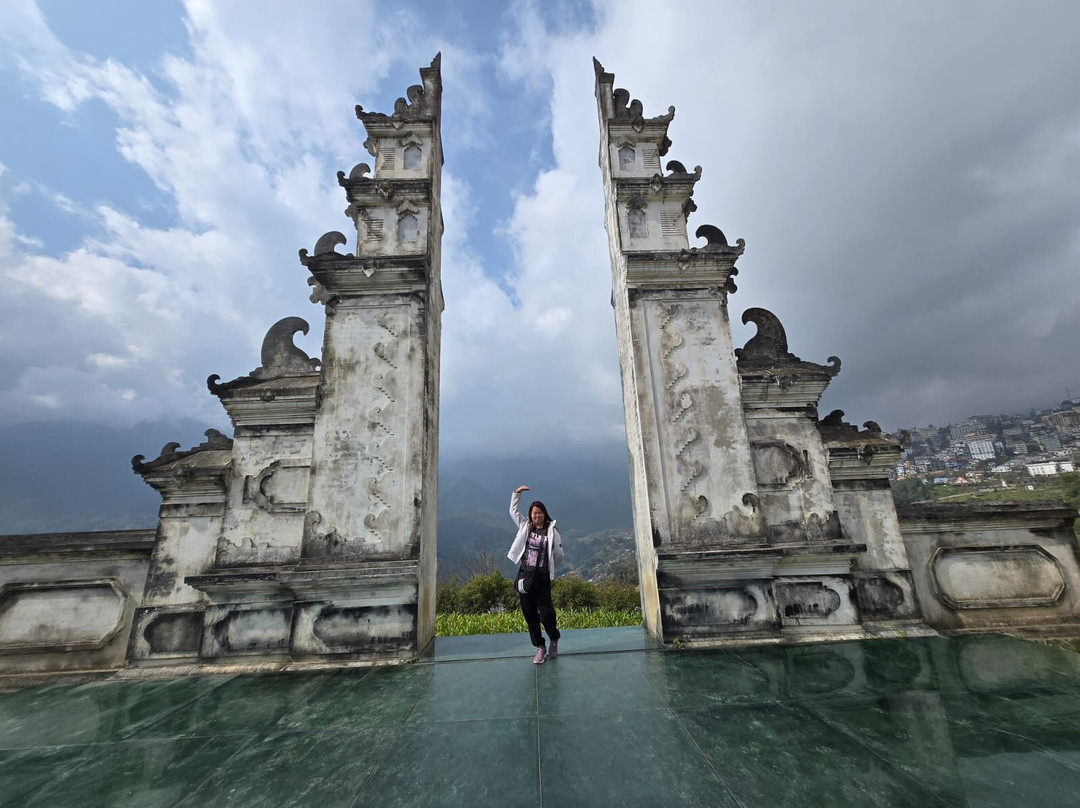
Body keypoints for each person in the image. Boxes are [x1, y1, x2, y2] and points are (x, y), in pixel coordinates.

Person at [508, 485, 564, 664]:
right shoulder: (526, 526)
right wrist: (517, 494)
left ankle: (553, 638)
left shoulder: (552, 531)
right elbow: (513, 512)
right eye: (534, 513)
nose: (537, 515)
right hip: (525, 576)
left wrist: (548, 566)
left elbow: (559, 555)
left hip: (542, 578)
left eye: (539, 512)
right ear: (530, 515)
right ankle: (540, 647)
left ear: (544, 514)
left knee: (547, 614)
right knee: (530, 614)